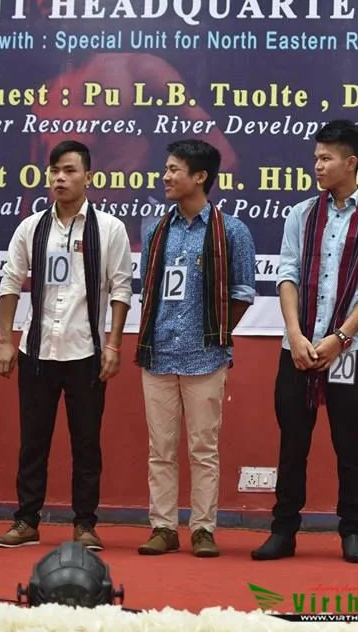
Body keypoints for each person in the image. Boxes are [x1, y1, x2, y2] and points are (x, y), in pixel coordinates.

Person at [251, 119, 358, 564]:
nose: (317, 165)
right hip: (296, 348)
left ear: (350, 163)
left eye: (326, 158)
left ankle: (352, 531)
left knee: (350, 444)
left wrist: (340, 338)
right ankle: (283, 531)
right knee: (292, 443)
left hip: (348, 352)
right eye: (316, 157)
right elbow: (287, 275)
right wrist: (295, 335)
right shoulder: (300, 215)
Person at [0, 140, 133, 551]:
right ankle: (26, 521)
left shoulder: (110, 229)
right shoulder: (31, 227)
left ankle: (85, 524)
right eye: (54, 170)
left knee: (86, 443)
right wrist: (4, 340)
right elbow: (10, 282)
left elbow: (121, 289)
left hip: (86, 353)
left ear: (89, 177)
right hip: (36, 351)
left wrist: (113, 345)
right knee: (32, 442)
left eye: (69, 171)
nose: (59, 178)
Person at [133, 139, 256, 558]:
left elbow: (242, 293)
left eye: (174, 170)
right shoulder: (155, 230)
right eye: (166, 169)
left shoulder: (232, 231)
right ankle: (163, 527)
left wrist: (215, 333)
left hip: (206, 358)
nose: (165, 177)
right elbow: (149, 291)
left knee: (203, 450)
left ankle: (203, 529)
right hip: (158, 355)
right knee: (160, 450)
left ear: (200, 177)